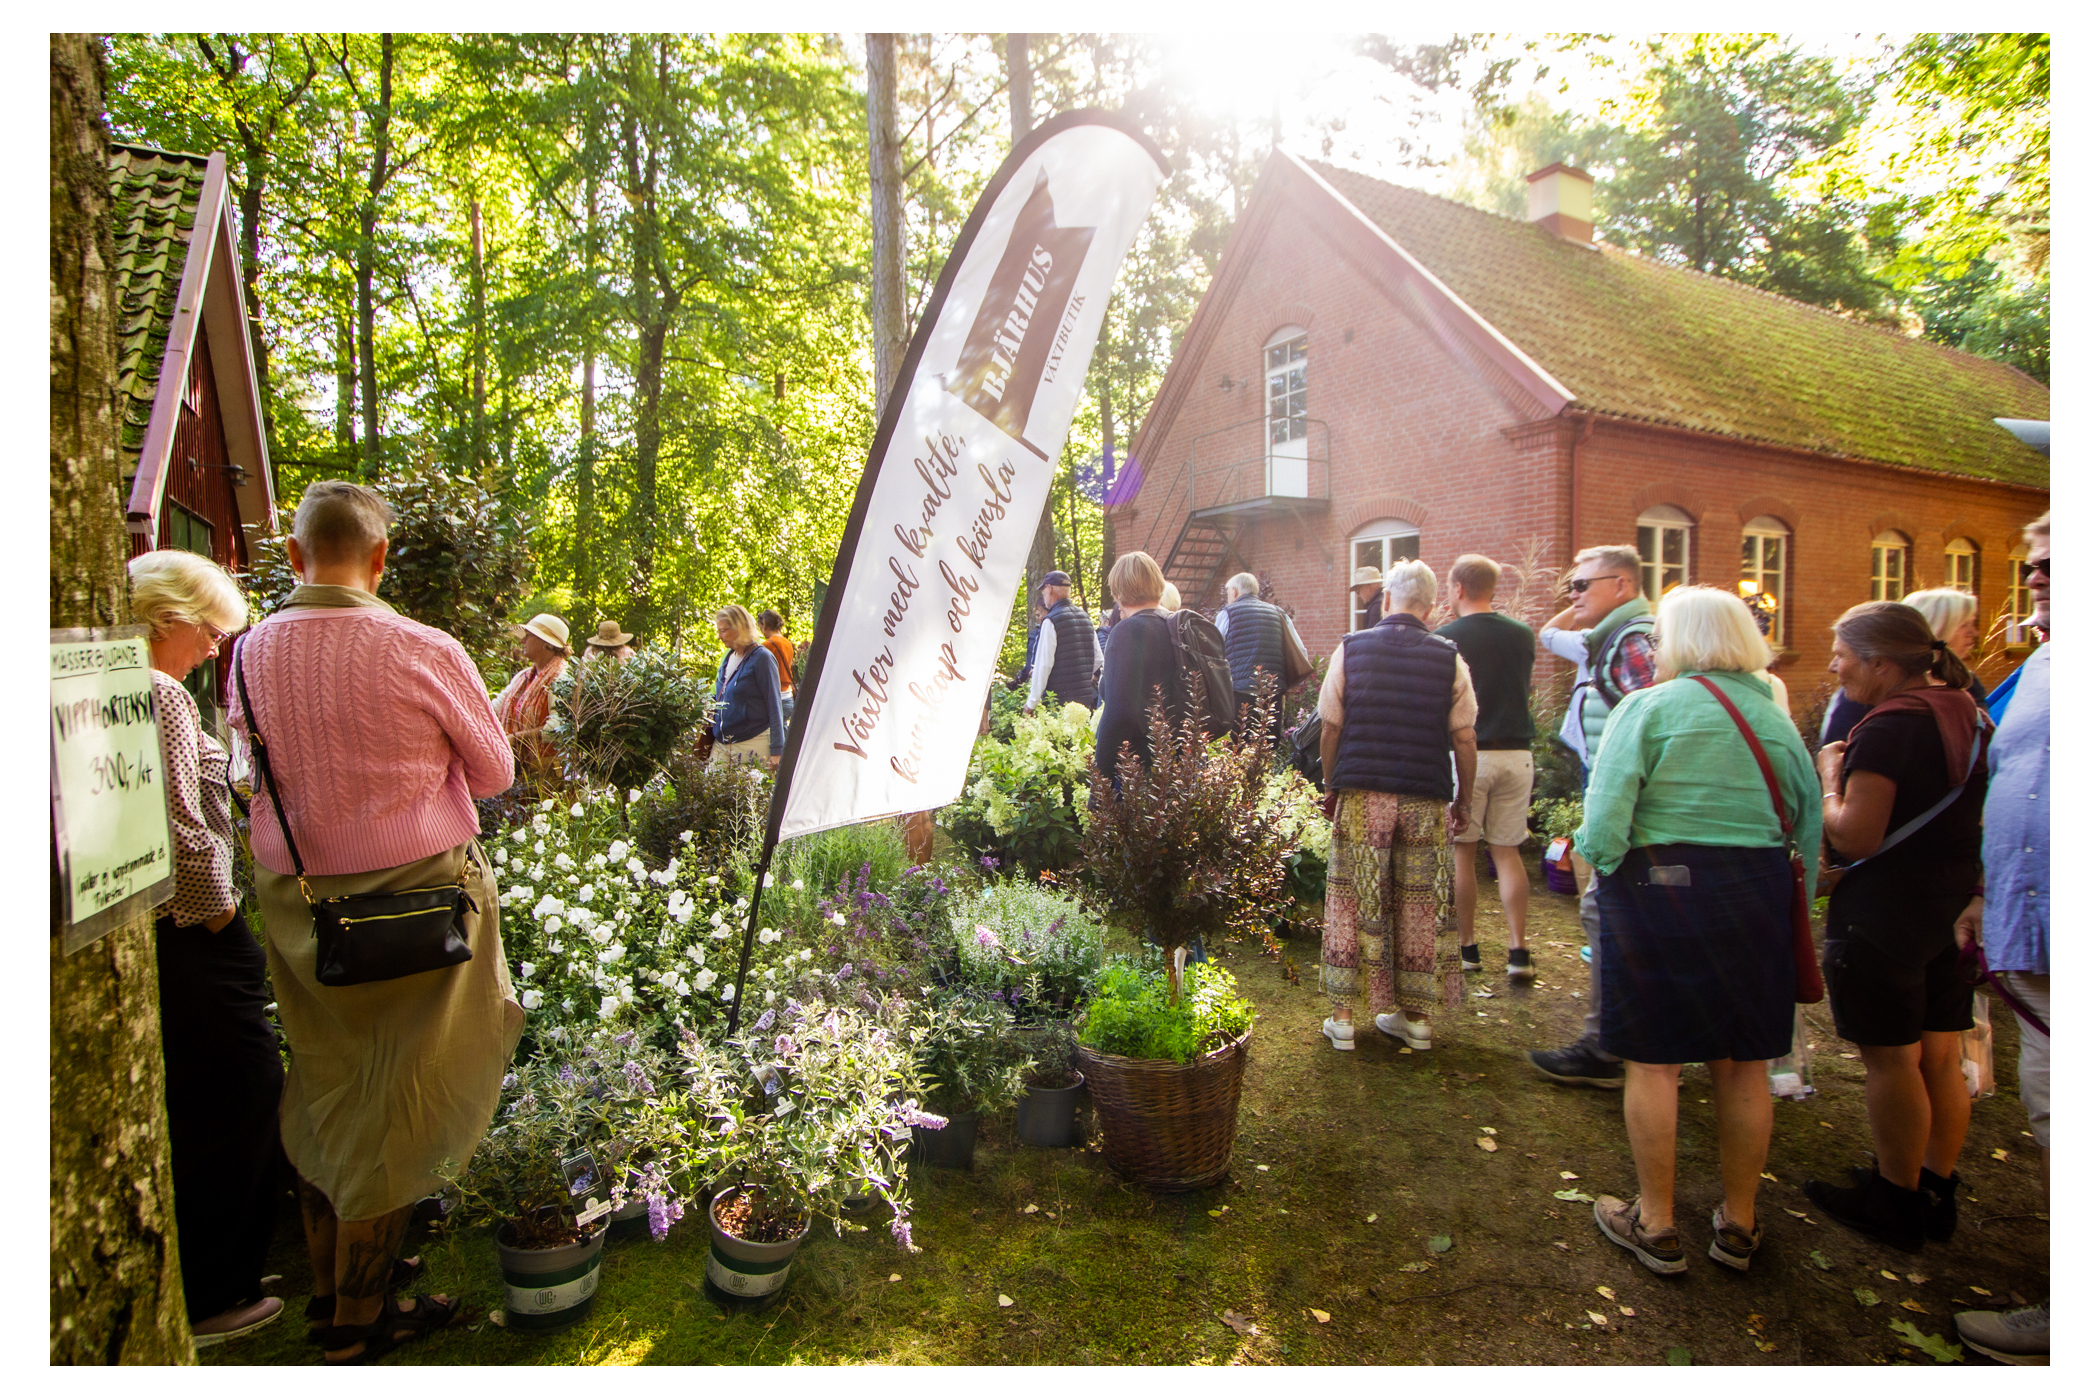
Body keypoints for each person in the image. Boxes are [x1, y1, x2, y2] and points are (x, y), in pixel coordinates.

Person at [230, 480, 519, 1363]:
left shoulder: (247, 653)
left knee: (329, 1080)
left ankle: (332, 1292)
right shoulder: (423, 647)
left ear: (294, 555)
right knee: (400, 1095)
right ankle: (359, 1324)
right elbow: (495, 772)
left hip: (301, 903)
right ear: (381, 557)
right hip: (418, 903)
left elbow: (248, 768)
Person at [1574, 587, 1821, 1276]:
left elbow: (1605, 824)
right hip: (1758, 897)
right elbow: (1807, 827)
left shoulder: (1648, 708)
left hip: (1658, 895)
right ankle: (1739, 1222)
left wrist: (1599, 863)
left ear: (1680, 642)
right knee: (1744, 1064)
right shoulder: (1775, 720)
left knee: (1654, 1061)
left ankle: (1655, 1222)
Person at [127, 550, 286, 1347]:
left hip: (171, 932)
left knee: (209, 1098)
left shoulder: (127, 686)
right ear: (171, 619)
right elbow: (182, 825)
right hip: (193, 931)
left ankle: (214, 1274)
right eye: (212, 632)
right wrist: (224, 915)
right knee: (236, 1097)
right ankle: (217, 1290)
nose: (215, 649)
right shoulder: (156, 692)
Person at [1802, 601, 1990, 1253]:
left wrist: (1830, 777)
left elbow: (1855, 835)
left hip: (1886, 914)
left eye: (1842, 655)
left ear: (1881, 663)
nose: (1834, 667)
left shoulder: (1887, 727)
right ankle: (1934, 1187)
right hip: (1950, 906)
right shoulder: (1965, 708)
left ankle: (1893, 1198)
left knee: (1891, 1060)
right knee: (1940, 1054)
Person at [1952, 512, 2049, 1364]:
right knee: (2050, 1107)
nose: (2038, 576)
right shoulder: (2043, 665)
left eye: (2059, 562)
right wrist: (1983, 892)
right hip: (2032, 927)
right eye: (2038, 563)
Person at [1316, 560, 1478, 1053]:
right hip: (1426, 796)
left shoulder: (1351, 648)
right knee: (1420, 904)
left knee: (1350, 899)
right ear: (1431, 608)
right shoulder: (1449, 658)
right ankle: (1418, 1019)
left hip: (1363, 794)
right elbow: (1465, 737)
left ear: (1385, 600)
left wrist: (1331, 784)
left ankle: (1343, 1020)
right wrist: (1464, 800)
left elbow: (1330, 724)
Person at [1526, 545, 1657, 1090]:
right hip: (1623, 807)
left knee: (1606, 915)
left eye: (1582, 585)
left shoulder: (1631, 644)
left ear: (1622, 585)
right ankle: (1627, 1042)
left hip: (1633, 816)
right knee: (1610, 918)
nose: (1573, 594)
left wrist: (1621, 814)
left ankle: (1609, 1048)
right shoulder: (1612, 638)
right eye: (1571, 586)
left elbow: (1657, 728)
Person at [1434, 554, 1537, 980]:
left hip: (1468, 753)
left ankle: (1468, 948)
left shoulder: (1445, 639)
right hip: (1517, 753)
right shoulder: (1523, 634)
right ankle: (1519, 951)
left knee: (1463, 852)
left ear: (1458, 588)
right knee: (1508, 852)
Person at [1821, 589, 1988, 741]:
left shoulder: (1874, 704)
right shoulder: (1962, 698)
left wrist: (1830, 764)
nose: (1974, 633)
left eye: (1840, 655)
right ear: (1937, 627)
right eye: (1964, 625)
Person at [1094, 552, 1181, 781]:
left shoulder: (1127, 631)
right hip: (1184, 760)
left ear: (1119, 593)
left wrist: (1100, 784)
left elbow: (1117, 717)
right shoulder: (1177, 624)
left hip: (1141, 768)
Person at [1215, 571, 1304, 745]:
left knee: (1237, 746)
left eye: (1228, 592)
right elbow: (1300, 650)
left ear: (1234, 591)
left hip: (1239, 691)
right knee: (1267, 747)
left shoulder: (1227, 614)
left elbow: (1214, 652)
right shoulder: (1279, 613)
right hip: (1272, 692)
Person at [491, 613, 571, 771]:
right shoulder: (523, 677)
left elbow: (558, 728)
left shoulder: (562, 678)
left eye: (528, 636)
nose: (522, 641)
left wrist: (517, 738)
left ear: (546, 643)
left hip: (549, 772)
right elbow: (495, 708)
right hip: (520, 769)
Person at [709, 604, 785, 771]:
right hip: (721, 744)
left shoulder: (762, 658)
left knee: (751, 789)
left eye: (723, 630)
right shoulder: (728, 657)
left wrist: (777, 749)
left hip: (752, 743)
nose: (719, 636)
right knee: (708, 785)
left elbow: (774, 704)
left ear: (740, 628)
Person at [1023, 570, 1103, 715]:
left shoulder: (1051, 620)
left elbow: (1043, 665)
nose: (1043, 596)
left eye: (1043, 592)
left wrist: (1031, 703)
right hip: (1084, 703)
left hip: (1058, 703)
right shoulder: (1085, 617)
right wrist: (1079, 675)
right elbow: (1098, 658)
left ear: (1049, 588)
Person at [757, 610, 796, 724]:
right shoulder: (788, 643)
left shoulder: (766, 646)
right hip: (788, 696)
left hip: (774, 697)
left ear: (765, 624)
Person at [1349, 564, 1385, 632]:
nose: (1358, 595)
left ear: (1369, 587)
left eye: (1358, 591)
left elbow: (1372, 636)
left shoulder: (1376, 607)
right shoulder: (1387, 598)